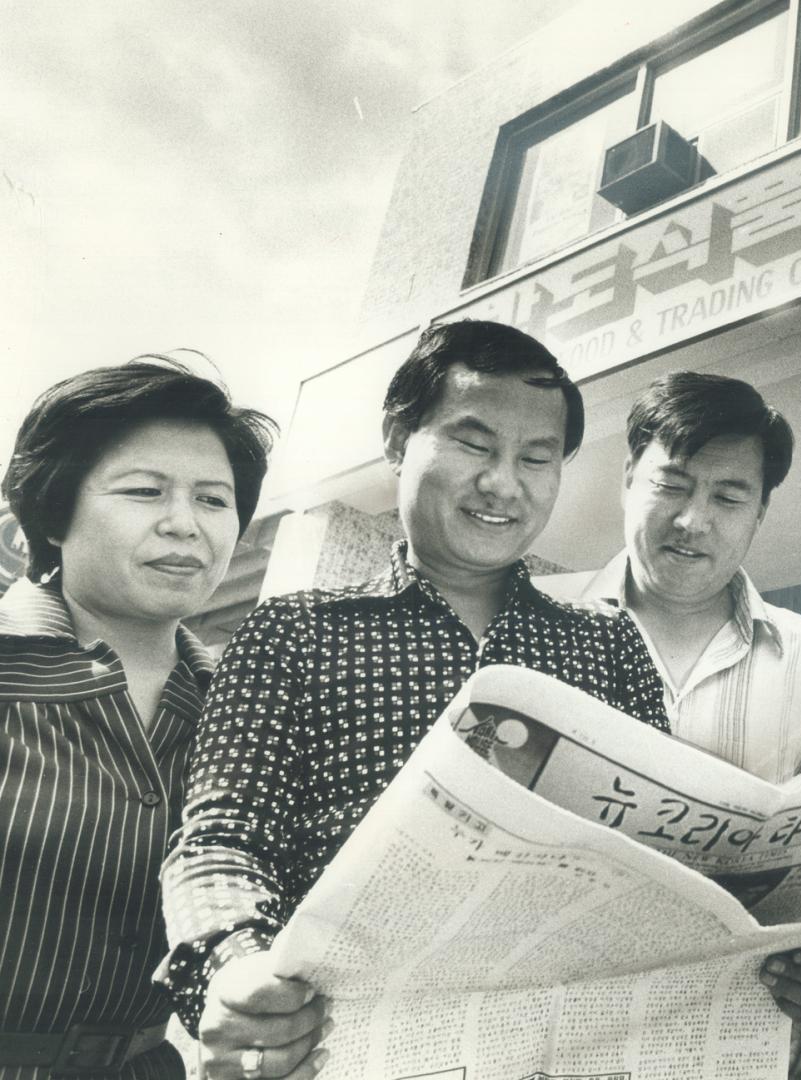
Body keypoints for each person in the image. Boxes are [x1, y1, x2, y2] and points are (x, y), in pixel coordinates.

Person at [158, 320, 671, 1079]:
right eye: (473, 445)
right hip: (347, 1049)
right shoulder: (294, 634)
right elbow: (222, 839)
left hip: (563, 1053)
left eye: (536, 458)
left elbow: (663, 858)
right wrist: (236, 967)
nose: (503, 483)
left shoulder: (606, 646)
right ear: (399, 441)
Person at [562, 371, 801, 1069]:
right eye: (672, 485)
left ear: (759, 512)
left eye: (728, 497)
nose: (694, 521)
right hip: (559, 1035)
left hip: (728, 1039)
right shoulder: (542, 625)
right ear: (629, 478)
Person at [0, 359, 274, 1079]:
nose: (184, 524)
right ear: (54, 513)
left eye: (213, 500)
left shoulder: (249, 707)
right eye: (145, 491)